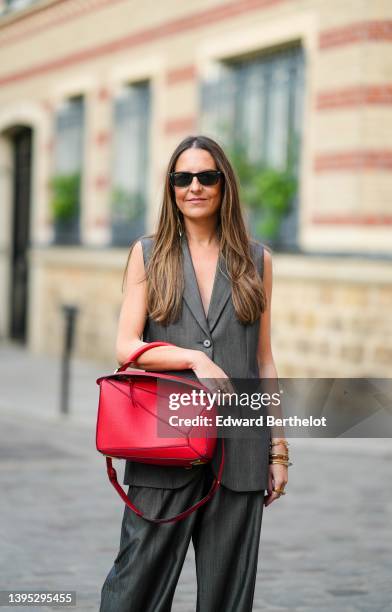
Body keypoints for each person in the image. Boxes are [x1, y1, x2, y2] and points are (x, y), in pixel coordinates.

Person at [99, 135, 290, 612]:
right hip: (163, 446)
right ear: (171, 188)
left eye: (207, 177)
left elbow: (262, 361)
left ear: (224, 185)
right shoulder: (149, 254)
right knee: (133, 591)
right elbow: (127, 347)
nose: (195, 187)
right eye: (183, 178)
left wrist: (278, 448)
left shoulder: (257, 259)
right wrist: (194, 359)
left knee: (228, 599)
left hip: (239, 454)